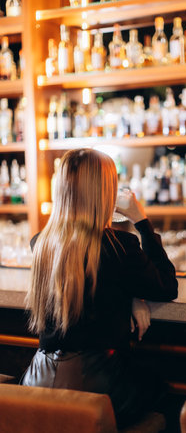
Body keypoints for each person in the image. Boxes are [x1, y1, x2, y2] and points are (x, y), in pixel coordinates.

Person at [22, 148, 178, 428]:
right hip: (96, 387)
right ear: (104, 192)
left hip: (37, 382)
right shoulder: (119, 247)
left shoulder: (41, 243)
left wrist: (130, 295)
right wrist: (141, 221)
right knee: (169, 398)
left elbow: (95, 281)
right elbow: (167, 285)